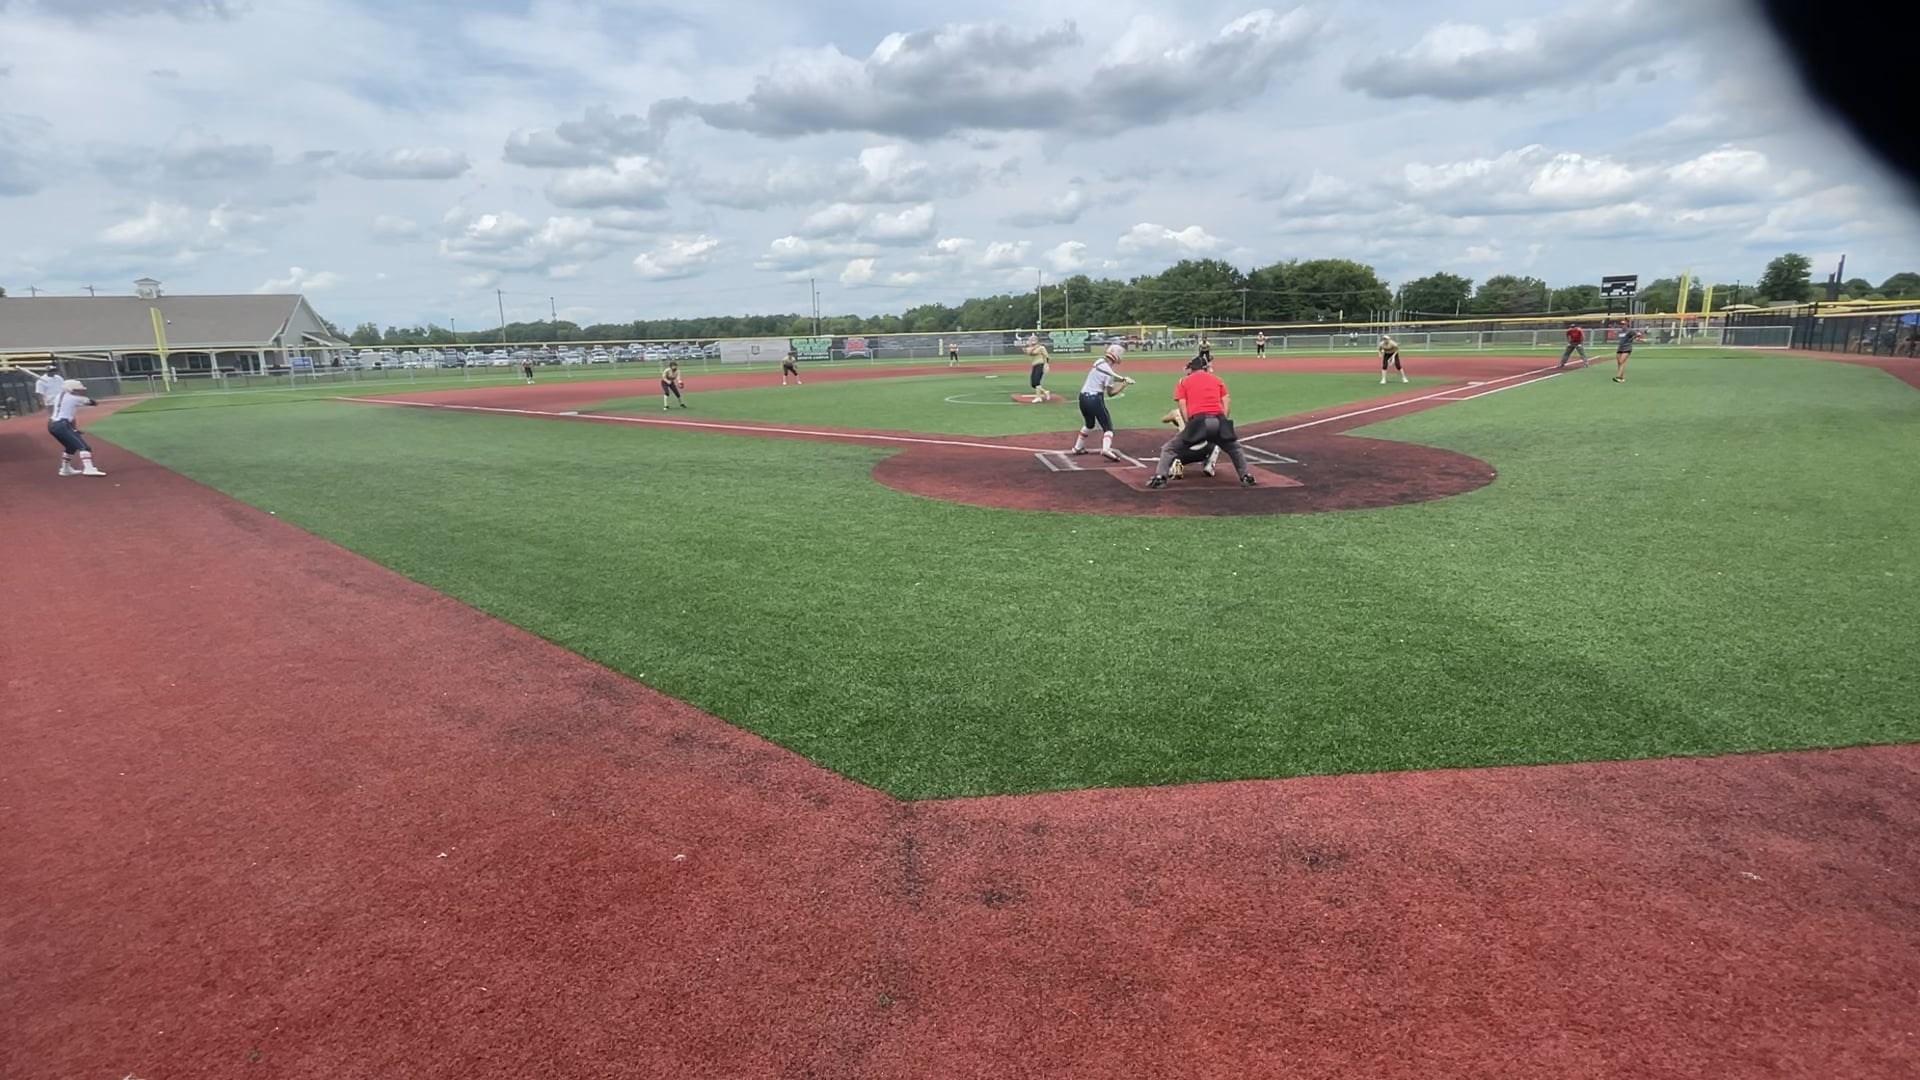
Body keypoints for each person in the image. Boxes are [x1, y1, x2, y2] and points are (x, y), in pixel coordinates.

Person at [1148, 355, 1255, 488]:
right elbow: (1226, 399)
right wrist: (1223, 419)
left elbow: (1182, 404)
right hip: (1218, 420)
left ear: (1192, 368)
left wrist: (1189, 424)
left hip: (1199, 421)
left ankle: (1160, 478)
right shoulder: (1217, 379)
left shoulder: (1184, 382)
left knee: (1169, 449)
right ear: (1205, 368)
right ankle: (1246, 476)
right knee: (1235, 448)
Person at [1069, 343, 1132, 461]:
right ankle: (1106, 449)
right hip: (1094, 399)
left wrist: (1122, 379)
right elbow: (1111, 393)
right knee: (1108, 428)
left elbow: (1107, 373)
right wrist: (1124, 384)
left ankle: (1077, 448)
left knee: (1089, 424)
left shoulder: (1099, 362)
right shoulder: (1108, 373)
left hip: (1083, 397)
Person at [47, 379, 107, 477]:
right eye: (77, 390)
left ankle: (65, 469)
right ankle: (89, 469)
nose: (80, 391)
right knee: (84, 447)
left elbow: (71, 416)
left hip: (52, 425)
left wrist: (74, 429)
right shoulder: (75, 399)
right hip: (62, 425)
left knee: (71, 446)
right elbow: (93, 403)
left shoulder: (59, 396)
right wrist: (88, 399)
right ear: (71, 389)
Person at [1158, 406, 1222, 479]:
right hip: (1204, 451)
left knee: (1171, 449)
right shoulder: (1207, 414)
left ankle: (1174, 464)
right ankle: (1210, 465)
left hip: (1184, 453)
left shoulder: (1178, 412)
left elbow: (1164, 419)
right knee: (1217, 437)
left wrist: (1176, 420)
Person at [1025, 336, 1052, 403]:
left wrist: (1046, 365)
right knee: (1033, 384)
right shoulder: (1029, 348)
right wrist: (1035, 346)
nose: (1032, 341)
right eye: (1031, 340)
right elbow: (1029, 352)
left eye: (1034, 339)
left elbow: (1047, 357)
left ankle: (1038, 397)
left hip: (1040, 364)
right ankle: (1045, 392)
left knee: (1037, 381)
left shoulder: (1041, 348)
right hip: (1034, 365)